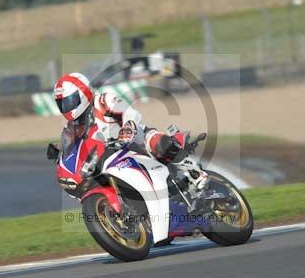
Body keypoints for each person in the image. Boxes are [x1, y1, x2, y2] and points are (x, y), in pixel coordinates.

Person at [54, 72, 208, 190]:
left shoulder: (103, 101)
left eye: (69, 101)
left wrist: (128, 128)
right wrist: (61, 152)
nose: (66, 107)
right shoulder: (74, 126)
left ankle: (195, 172)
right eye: (62, 104)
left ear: (83, 93)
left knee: (158, 143)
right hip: (110, 159)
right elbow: (76, 147)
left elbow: (130, 113)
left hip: (136, 141)